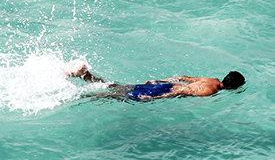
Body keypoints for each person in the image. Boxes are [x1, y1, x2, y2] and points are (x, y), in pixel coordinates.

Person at [64, 64, 245, 101]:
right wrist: (158, 96)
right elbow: (182, 91)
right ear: (233, 87)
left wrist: (158, 81)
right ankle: (78, 96)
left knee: (117, 87)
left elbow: (183, 78)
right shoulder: (210, 91)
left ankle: (85, 75)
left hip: (162, 84)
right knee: (115, 96)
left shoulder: (211, 79)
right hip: (162, 91)